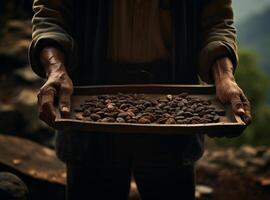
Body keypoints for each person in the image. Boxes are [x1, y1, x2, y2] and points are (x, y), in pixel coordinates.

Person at [29, 0, 252, 199]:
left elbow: (216, 21)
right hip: (89, 101)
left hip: (173, 107)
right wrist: (56, 68)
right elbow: (50, 13)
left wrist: (224, 76)